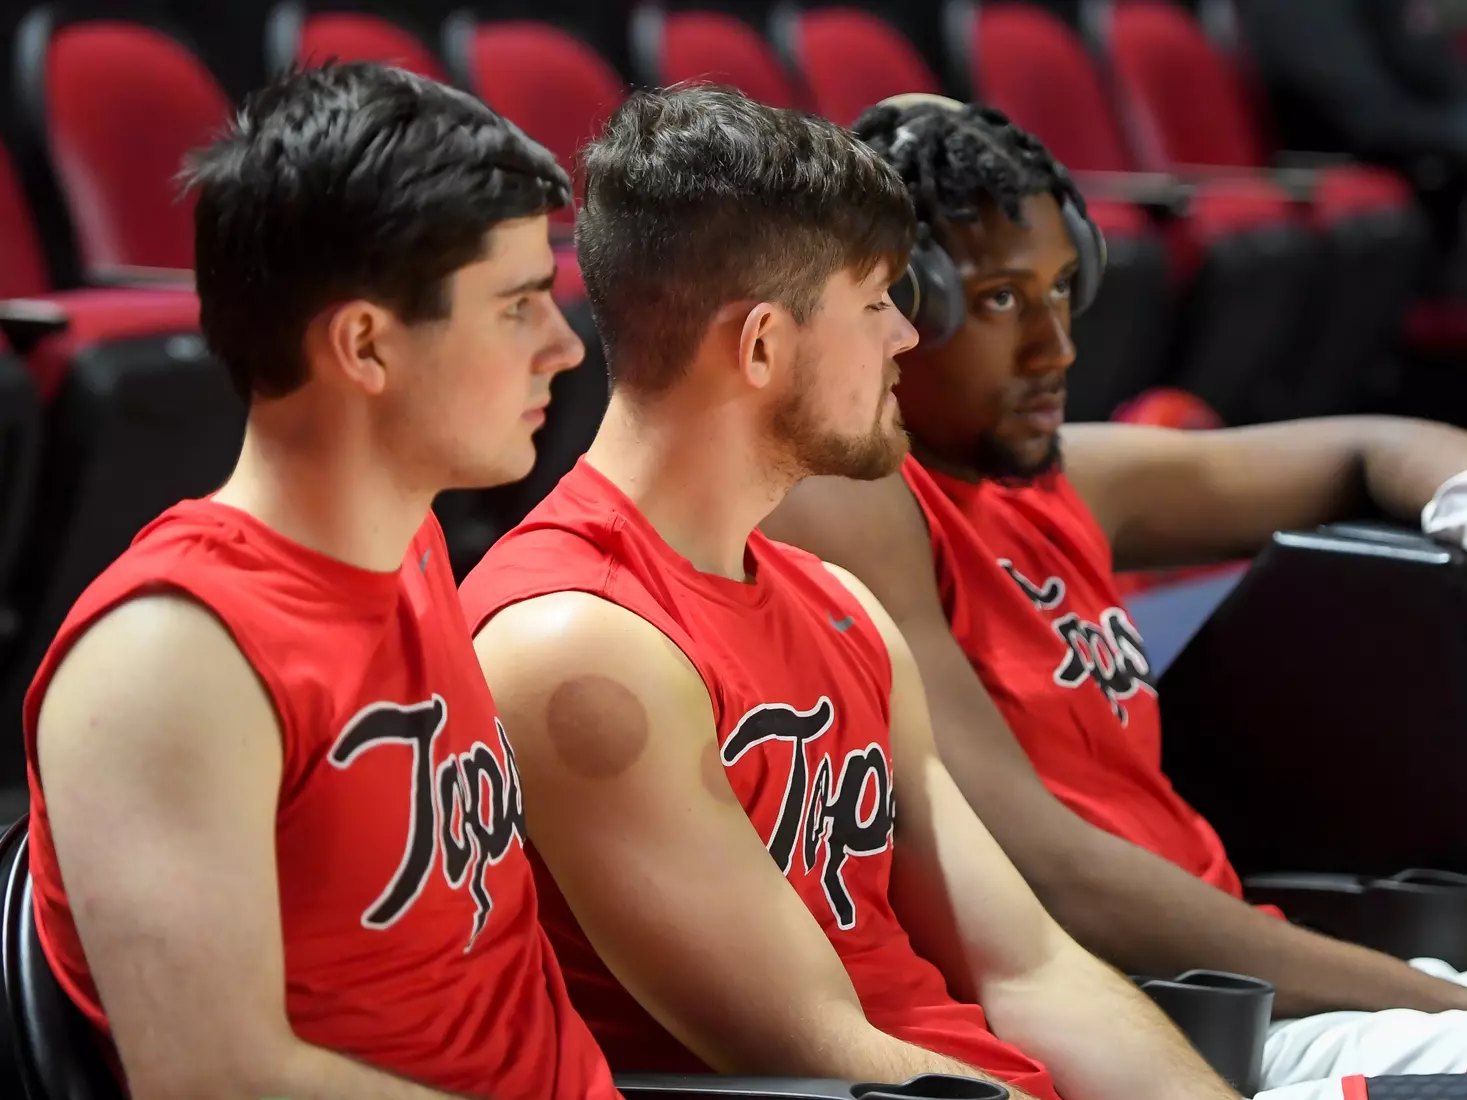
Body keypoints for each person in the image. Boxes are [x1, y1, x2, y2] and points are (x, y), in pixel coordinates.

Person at [462, 84, 1251, 1100]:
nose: (906, 339)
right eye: (876, 300)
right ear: (759, 347)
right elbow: (817, 1048)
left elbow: (1033, 969)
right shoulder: (576, 641)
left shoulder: (841, 602)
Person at [760, 93, 1467, 1095]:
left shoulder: (1060, 482)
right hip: (1157, 1023)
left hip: (1261, 987)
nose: (1058, 348)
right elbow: (1051, 870)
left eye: (1061, 290)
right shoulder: (850, 502)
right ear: (897, 313)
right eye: (1004, 301)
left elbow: (1376, 442)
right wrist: (1429, 998)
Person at [23, 63, 610, 1100]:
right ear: (365, 345)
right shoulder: (171, 655)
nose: (564, 347)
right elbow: (216, 1078)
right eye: (520, 306)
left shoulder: (411, 540)